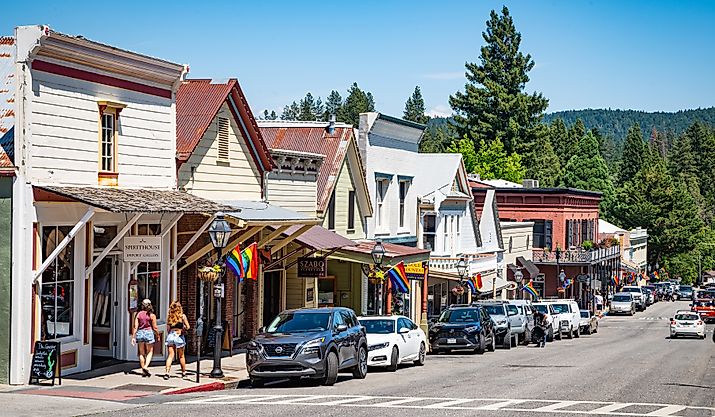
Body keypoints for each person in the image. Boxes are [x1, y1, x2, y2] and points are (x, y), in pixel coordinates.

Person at [132, 299, 159, 377]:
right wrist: (157, 335)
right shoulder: (152, 315)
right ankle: (146, 367)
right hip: (148, 333)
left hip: (140, 333)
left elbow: (135, 327)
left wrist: (133, 336)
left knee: (141, 353)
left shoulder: (138, 314)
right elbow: (155, 327)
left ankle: (143, 369)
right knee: (150, 352)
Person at [164, 301, 190, 379]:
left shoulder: (170, 316)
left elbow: (168, 329)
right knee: (181, 356)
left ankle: (167, 373)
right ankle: (184, 372)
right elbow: (188, 326)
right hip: (179, 335)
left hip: (171, 335)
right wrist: (183, 329)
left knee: (170, 355)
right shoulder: (182, 316)